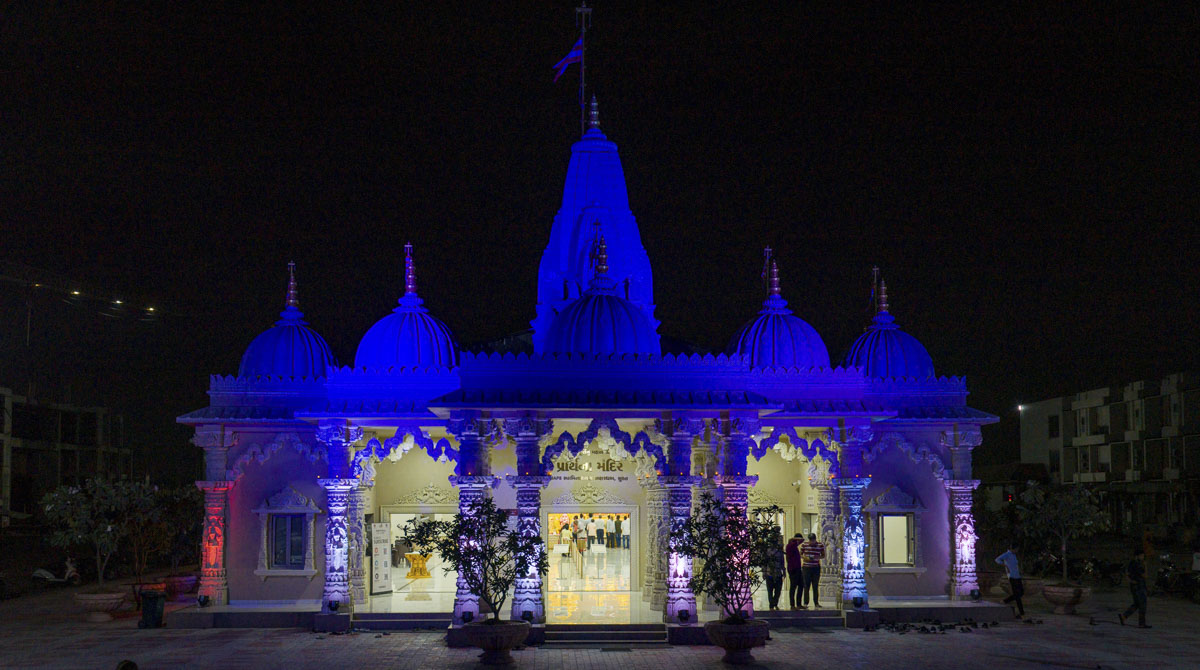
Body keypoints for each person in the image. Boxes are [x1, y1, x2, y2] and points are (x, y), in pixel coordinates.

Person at [1119, 547, 1150, 628]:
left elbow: (1126, 573)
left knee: (1137, 604)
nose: (1143, 557)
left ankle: (1124, 616)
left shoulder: (1131, 563)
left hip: (1134, 586)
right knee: (1142, 605)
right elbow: (1145, 576)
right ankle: (1141, 623)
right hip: (1139, 586)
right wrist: (1145, 566)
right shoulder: (1138, 564)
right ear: (1138, 556)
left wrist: (1130, 580)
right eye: (1142, 556)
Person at [995, 543, 1024, 618]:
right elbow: (997, 559)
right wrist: (1005, 565)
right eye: (1017, 549)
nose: (1017, 551)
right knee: (1017, 594)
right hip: (1012, 576)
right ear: (1013, 549)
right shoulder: (1007, 554)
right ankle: (1021, 612)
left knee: (1021, 592)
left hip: (1017, 576)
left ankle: (1005, 601)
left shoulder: (1014, 555)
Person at [800, 532, 825, 608]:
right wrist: (805, 558)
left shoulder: (820, 545)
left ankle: (816, 602)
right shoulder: (804, 545)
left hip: (815, 567)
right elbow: (800, 554)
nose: (812, 542)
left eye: (813, 540)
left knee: (815, 585)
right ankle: (806, 602)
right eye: (811, 540)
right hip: (806, 567)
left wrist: (817, 557)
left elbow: (823, 555)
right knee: (806, 585)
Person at [763, 529, 785, 610]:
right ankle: (771, 605)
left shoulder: (779, 552)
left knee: (778, 591)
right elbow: (764, 563)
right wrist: (764, 572)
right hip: (770, 573)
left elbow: (782, 561)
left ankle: (775, 603)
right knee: (770, 590)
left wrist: (784, 571)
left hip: (778, 573)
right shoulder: (767, 551)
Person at [785, 532, 805, 609]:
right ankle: (792, 605)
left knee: (801, 585)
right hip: (793, 569)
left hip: (797, 568)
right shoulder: (790, 545)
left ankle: (799, 604)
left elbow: (801, 540)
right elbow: (802, 540)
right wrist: (794, 539)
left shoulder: (794, 545)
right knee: (793, 587)